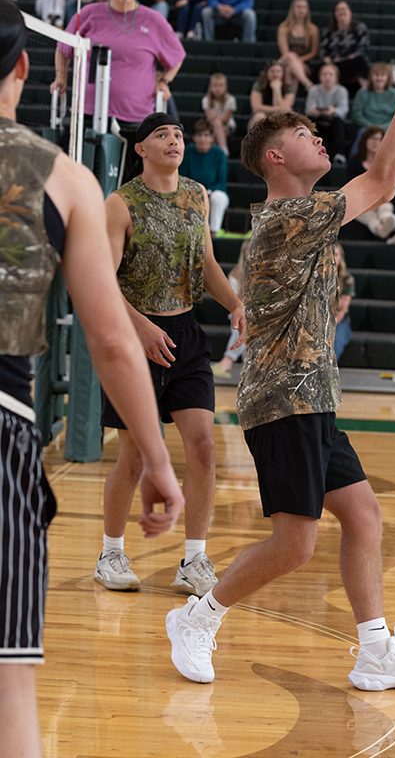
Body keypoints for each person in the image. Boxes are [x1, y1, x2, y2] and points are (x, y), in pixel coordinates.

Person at [165, 50, 395, 694]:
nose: (318, 137)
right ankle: (197, 617)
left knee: (364, 515)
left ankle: (375, 652)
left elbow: (382, 181)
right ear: (275, 157)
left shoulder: (306, 215)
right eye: (303, 133)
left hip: (313, 397)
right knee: (295, 544)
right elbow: (382, 181)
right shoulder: (287, 218)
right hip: (282, 403)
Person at [0, 0, 184, 758]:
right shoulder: (64, 179)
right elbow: (110, 340)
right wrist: (158, 461)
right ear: (22, 67)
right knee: (9, 688)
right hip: (3, 421)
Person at [95, 113, 245, 597]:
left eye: (178, 134)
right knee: (134, 456)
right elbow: (101, 281)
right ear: (140, 148)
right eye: (162, 134)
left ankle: (194, 560)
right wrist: (139, 326)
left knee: (203, 447)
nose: (174, 140)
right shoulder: (120, 204)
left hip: (186, 336)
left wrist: (236, 303)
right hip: (133, 337)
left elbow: (207, 263)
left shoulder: (198, 195)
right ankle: (110, 553)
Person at [52, 0, 185, 156]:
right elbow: (63, 49)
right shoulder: (88, 13)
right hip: (87, 110)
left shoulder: (153, 19)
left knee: (129, 171)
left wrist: (165, 82)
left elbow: (177, 56)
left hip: (135, 115)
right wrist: (61, 77)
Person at [346, 126, 395, 244]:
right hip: (359, 202)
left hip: (379, 200)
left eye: (379, 139)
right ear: (365, 140)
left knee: (386, 207)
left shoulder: (386, 163)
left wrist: (376, 202)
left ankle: (385, 226)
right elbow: (352, 186)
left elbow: (387, 186)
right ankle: (390, 232)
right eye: (372, 138)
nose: (376, 142)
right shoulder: (354, 161)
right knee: (366, 214)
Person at [180, 118, 230, 234]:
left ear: (212, 137)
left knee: (218, 198)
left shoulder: (219, 154)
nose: (203, 139)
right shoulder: (187, 152)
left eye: (206, 135)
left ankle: (213, 234)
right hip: (191, 192)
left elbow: (221, 182)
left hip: (213, 192)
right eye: (199, 135)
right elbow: (182, 178)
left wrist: (208, 192)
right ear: (194, 137)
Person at [211, 238, 250, 379]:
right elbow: (235, 302)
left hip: (260, 314)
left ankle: (228, 360)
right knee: (243, 321)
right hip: (242, 312)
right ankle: (229, 360)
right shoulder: (235, 275)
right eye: (248, 251)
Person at [318, 0, 370, 96]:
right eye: (338, 10)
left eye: (344, 9)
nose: (341, 12)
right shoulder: (328, 31)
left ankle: (366, 95)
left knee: (361, 64)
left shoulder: (359, 27)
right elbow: (322, 50)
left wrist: (350, 57)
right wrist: (327, 59)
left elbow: (363, 46)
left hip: (352, 61)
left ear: (350, 12)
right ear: (334, 14)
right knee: (325, 69)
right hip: (335, 63)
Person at [305, 62, 349, 164]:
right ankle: (309, 153)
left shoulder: (342, 91)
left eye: (330, 74)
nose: (327, 77)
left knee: (338, 122)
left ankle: (339, 154)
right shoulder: (313, 90)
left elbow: (343, 110)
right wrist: (315, 111)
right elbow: (308, 110)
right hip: (318, 122)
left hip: (333, 123)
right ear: (320, 77)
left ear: (336, 78)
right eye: (324, 74)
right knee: (310, 121)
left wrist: (333, 111)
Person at [277, 0, 319, 91]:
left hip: (304, 62)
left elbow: (313, 52)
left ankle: (289, 99)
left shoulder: (313, 29)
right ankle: (307, 83)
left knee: (290, 70)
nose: (301, 10)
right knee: (290, 57)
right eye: (298, 7)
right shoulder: (284, 27)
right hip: (286, 59)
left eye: (304, 7)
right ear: (293, 9)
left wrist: (298, 61)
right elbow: (285, 52)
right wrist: (295, 61)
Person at [351, 61, 395, 138]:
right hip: (366, 128)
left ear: (388, 77)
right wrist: (371, 126)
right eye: (376, 75)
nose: (379, 78)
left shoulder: (394, 94)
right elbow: (356, 114)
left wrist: (383, 126)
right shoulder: (362, 93)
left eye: (382, 75)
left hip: (388, 128)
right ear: (371, 76)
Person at [248, 60, 295, 130]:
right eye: (272, 71)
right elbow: (256, 108)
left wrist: (277, 89)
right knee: (260, 116)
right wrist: (279, 109)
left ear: (283, 73)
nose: (275, 74)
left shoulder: (288, 88)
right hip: (263, 116)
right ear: (267, 73)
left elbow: (284, 111)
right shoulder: (259, 85)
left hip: (279, 118)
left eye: (278, 71)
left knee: (287, 119)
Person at [202, 72, 236, 154]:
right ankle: (223, 150)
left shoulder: (230, 100)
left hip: (228, 127)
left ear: (225, 87)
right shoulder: (206, 99)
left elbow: (226, 120)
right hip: (212, 126)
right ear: (210, 87)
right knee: (215, 128)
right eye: (215, 85)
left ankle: (220, 152)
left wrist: (216, 117)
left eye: (221, 85)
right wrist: (217, 119)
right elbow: (209, 117)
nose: (218, 88)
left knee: (216, 126)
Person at [334, 243, 354, 362]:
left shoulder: (347, 278)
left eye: (335, 255)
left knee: (335, 340)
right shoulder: (317, 277)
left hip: (339, 320)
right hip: (318, 320)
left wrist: (328, 328)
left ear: (340, 257)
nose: (332, 258)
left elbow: (342, 307)